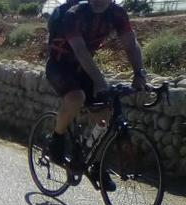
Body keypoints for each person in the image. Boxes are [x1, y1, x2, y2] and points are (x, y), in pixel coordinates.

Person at [45, 0, 148, 189]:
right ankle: (57, 139)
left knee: (105, 111)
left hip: (82, 68)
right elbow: (81, 51)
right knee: (76, 97)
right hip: (60, 65)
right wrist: (99, 82)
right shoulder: (74, 14)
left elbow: (130, 43)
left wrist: (139, 72)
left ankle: (96, 164)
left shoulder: (117, 13)